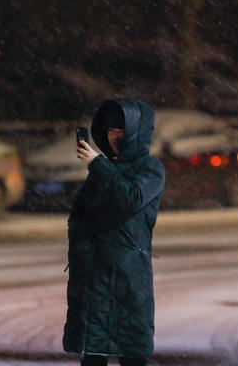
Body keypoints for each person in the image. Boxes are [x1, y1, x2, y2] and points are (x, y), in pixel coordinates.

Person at [63, 99, 165, 366]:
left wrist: (98, 165)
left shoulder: (150, 169)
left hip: (126, 280)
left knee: (132, 355)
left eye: (121, 130)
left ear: (137, 132)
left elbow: (131, 197)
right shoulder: (102, 170)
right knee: (92, 355)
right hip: (92, 281)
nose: (114, 136)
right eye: (110, 130)